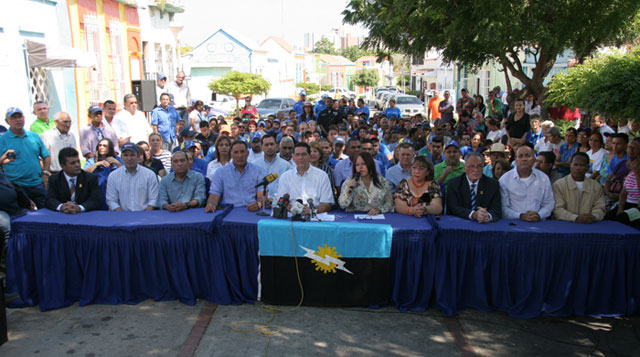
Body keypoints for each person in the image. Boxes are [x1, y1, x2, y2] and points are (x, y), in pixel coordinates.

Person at [0, 107, 51, 208]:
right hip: (16, 186)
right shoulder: (2, 140)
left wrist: (45, 173)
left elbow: (46, 156)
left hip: (37, 184)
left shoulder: (34, 136)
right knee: (23, 217)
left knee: (46, 213)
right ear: (7, 121)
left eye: (20, 117)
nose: (18, 120)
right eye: (13, 117)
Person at [205, 140, 266, 212]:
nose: (239, 155)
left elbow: (261, 194)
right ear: (231, 154)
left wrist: (258, 204)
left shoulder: (259, 171)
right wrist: (211, 204)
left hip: (251, 211)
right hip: (228, 211)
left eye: (242, 152)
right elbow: (214, 194)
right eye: (236, 152)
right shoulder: (220, 172)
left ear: (248, 153)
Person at [499, 144, 555, 221]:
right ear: (515, 159)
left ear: (534, 159)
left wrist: (539, 215)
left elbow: (549, 203)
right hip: (513, 223)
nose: (524, 159)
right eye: (520, 156)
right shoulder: (505, 179)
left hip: (539, 222)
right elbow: (503, 207)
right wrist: (520, 216)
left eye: (527, 156)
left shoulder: (543, 178)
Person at [276, 142, 334, 214]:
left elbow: (327, 204)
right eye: (297, 155)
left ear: (309, 156)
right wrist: (295, 209)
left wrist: (311, 210)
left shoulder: (322, 176)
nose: (300, 157)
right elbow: (281, 200)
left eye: (303, 154)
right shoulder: (285, 177)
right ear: (293, 158)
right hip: (291, 217)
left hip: (314, 217)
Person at [446, 152, 502, 222]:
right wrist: (474, 214)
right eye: (472, 166)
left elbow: (496, 209)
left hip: (485, 225)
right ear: (465, 168)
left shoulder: (493, 185)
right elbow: (453, 208)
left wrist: (488, 216)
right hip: (460, 223)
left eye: (479, 166)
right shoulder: (454, 184)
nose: (476, 170)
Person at [552, 152, 606, 223]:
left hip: (590, 225)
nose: (578, 168)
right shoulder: (559, 185)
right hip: (565, 225)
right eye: (575, 164)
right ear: (570, 165)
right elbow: (557, 209)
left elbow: (600, 207)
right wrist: (575, 218)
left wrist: (593, 216)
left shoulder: (595, 186)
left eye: (582, 165)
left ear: (587, 167)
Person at [45, 147, 102, 213]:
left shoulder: (91, 178)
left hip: (85, 216)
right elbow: (50, 199)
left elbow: (96, 200)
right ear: (63, 166)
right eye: (72, 163)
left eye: (78, 161)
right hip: (62, 216)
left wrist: (79, 208)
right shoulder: (54, 179)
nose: (77, 165)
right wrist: (62, 207)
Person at [105, 142, 158, 211]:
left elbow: (154, 199)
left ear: (138, 156)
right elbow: (111, 200)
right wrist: (122, 216)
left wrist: (145, 215)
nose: (129, 158)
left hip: (145, 216)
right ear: (121, 157)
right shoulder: (113, 176)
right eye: (125, 155)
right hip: (121, 216)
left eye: (132, 155)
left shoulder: (149, 174)